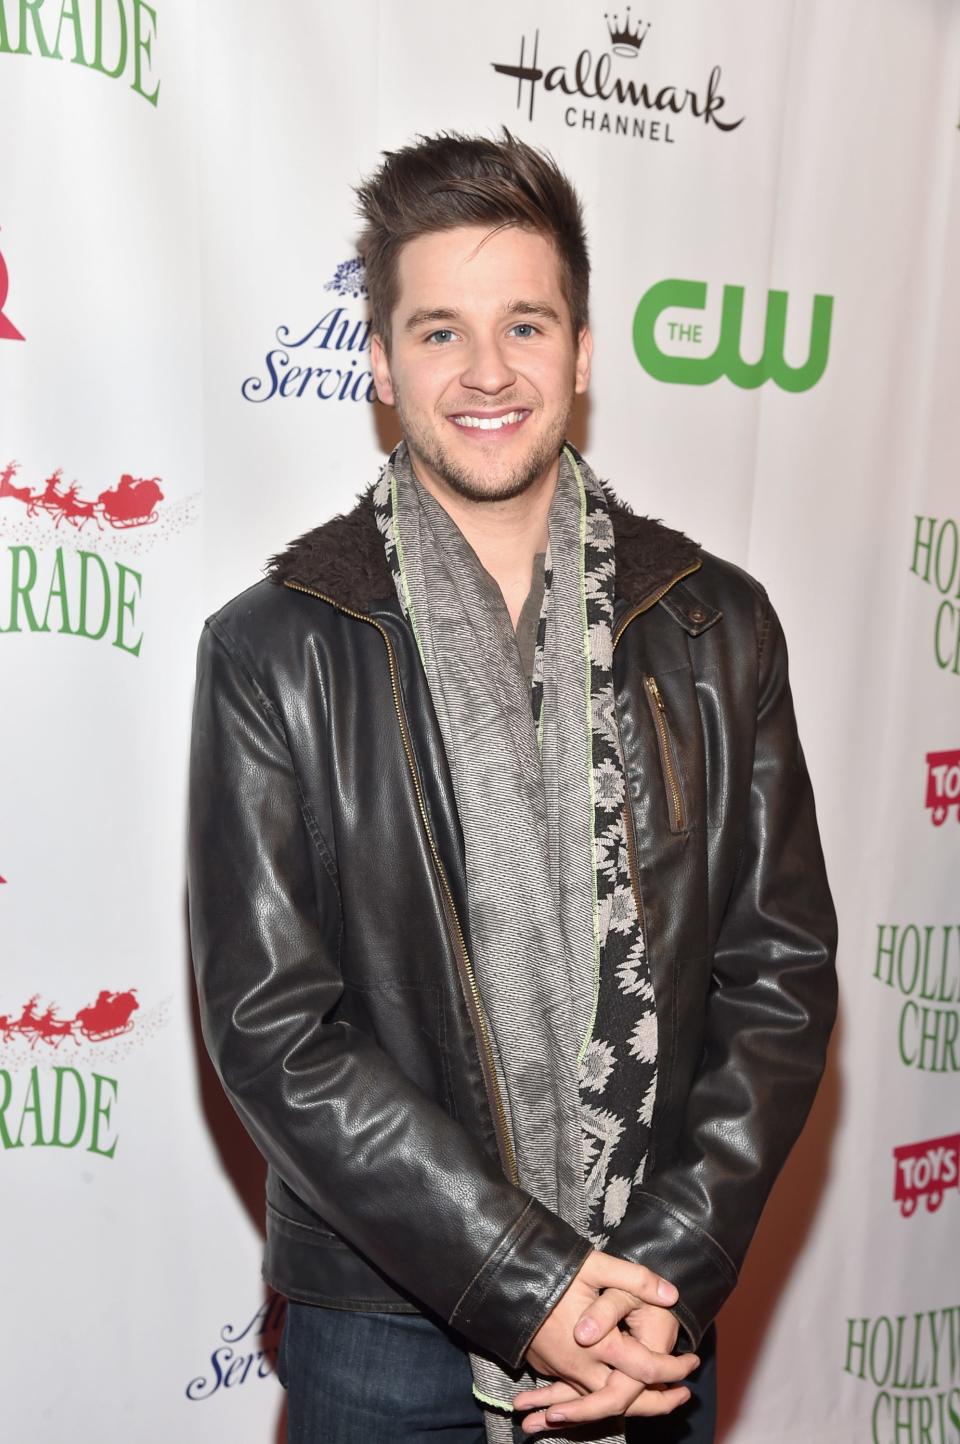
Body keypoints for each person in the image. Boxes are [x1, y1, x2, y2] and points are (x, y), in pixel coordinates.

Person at [187, 131, 838, 1444]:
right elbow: (273, 1027)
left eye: (525, 324)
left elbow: (778, 981)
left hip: (645, 1307)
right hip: (382, 1328)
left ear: (584, 352)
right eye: (439, 332)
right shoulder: (275, 648)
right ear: (378, 361)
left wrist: (659, 1279)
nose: (488, 371)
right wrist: (528, 1286)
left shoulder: (718, 628)